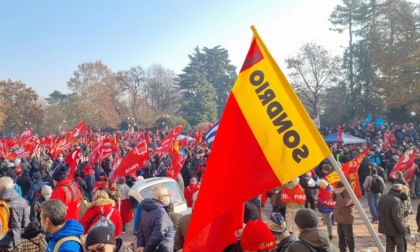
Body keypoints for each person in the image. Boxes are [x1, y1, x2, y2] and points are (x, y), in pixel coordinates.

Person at [136, 184, 175, 252]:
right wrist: (145, 250)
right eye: (167, 195)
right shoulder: (161, 213)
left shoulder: (147, 209)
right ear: (161, 198)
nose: (168, 197)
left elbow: (140, 230)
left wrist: (140, 245)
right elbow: (157, 236)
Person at [0, 176, 30, 250]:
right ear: (12, 187)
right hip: (14, 240)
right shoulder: (22, 201)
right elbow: (25, 224)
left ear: (1, 187)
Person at [378, 183, 406, 252]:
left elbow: (379, 209)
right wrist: (401, 229)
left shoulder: (383, 197)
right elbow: (395, 216)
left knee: (389, 245)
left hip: (386, 227)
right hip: (395, 229)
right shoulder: (396, 200)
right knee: (401, 245)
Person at [332, 181, 355, 252]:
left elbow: (344, 203)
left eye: (339, 188)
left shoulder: (349, 193)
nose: (338, 189)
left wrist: (338, 194)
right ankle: (342, 250)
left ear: (343, 187)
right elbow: (334, 199)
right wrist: (334, 192)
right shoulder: (340, 192)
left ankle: (351, 250)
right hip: (340, 217)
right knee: (340, 236)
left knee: (348, 236)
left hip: (346, 218)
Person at [399, 185, 413, 251]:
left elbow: (409, 206)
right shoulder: (396, 199)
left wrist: (410, 210)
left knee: (403, 239)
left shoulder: (407, 198)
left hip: (405, 221)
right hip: (398, 221)